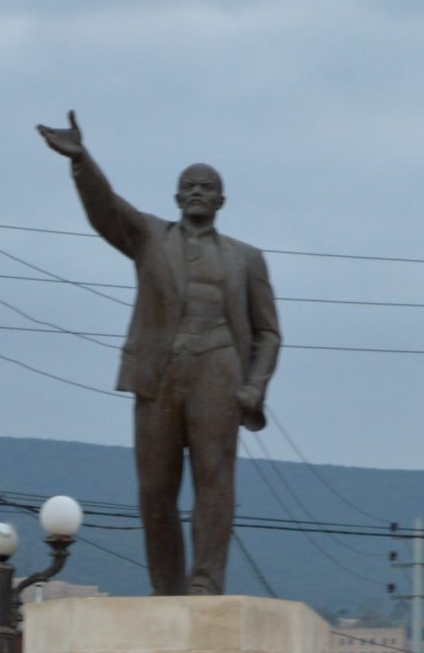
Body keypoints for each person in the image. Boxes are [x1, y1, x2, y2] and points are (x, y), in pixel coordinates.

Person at [36, 110, 282, 596]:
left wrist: (253, 385)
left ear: (221, 200)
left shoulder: (246, 259)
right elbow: (106, 209)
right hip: (158, 375)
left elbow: (268, 333)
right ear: (175, 197)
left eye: (206, 186)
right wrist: (81, 160)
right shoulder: (150, 237)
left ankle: (205, 583)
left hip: (218, 370)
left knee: (215, 482)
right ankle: (167, 587)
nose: (196, 191)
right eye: (188, 185)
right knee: (154, 490)